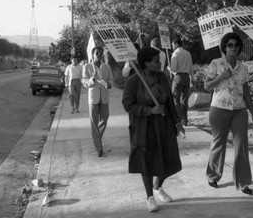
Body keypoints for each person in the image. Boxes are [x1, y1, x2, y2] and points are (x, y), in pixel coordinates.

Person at [122, 47, 182, 213]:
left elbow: (169, 100)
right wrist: (149, 110)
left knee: (169, 159)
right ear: (146, 63)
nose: (159, 63)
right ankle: (149, 196)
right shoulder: (133, 82)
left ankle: (158, 186)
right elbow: (128, 105)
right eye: (156, 61)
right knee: (146, 161)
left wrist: (177, 121)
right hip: (143, 128)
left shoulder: (162, 77)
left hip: (164, 125)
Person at [204, 32, 253, 194]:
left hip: (239, 111)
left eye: (236, 45)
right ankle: (213, 175)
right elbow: (207, 86)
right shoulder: (216, 64)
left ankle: (243, 182)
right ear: (224, 47)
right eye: (230, 45)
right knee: (218, 143)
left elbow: (246, 92)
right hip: (219, 110)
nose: (233, 48)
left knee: (241, 145)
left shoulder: (243, 68)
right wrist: (222, 76)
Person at [82, 46, 114, 157]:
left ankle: (97, 138)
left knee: (105, 119)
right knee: (94, 122)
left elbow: (111, 80)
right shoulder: (87, 67)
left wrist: (109, 84)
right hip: (93, 98)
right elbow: (84, 83)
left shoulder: (106, 67)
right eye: (97, 53)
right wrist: (92, 79)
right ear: (92, 55)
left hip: (104, 97)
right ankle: (99, 148)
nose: (99, 55)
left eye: (101, 53)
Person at [168, 37, 193, 126]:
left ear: (176, 44)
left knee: (175, 98)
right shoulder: (188, 53)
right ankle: (185, 119)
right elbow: (191, 67)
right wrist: (192, 79)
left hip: (178, 77)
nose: (172, 46)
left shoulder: (175, 53)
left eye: (172, 44)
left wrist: (169, 69)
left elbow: (173, 68)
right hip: (187, 77)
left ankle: (181, 119)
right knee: (184, 100)